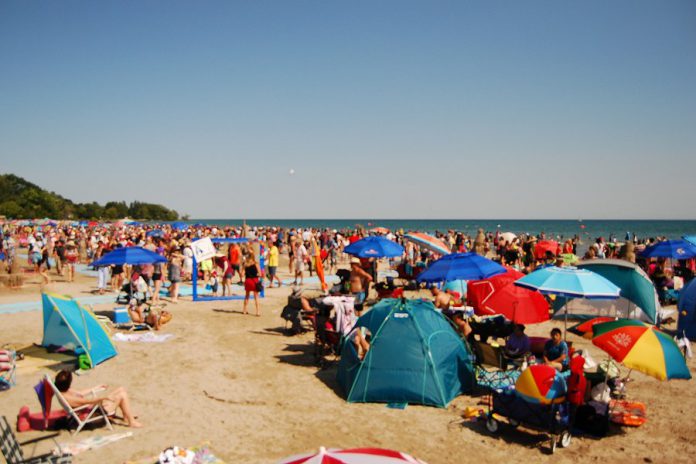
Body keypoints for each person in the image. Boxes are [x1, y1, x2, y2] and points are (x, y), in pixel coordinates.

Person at [54, 369, 143, 428]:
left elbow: (81, 393)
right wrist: (104, 398)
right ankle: (131, 422)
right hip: (92, 415)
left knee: (121, 389)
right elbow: (87, 401)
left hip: (91, 409)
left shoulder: (63, 390)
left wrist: (97, 387)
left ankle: (125, 417)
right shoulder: (68, 398)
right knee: (122, 395)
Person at [243, 252, 261, 316]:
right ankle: (257, 311)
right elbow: (260, 274)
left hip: (247, 281)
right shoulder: (256, 264)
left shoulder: (245, 265)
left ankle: (244, 310)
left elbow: (242, 274)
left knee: (247, 296)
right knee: (256, 297)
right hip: (254, 281)